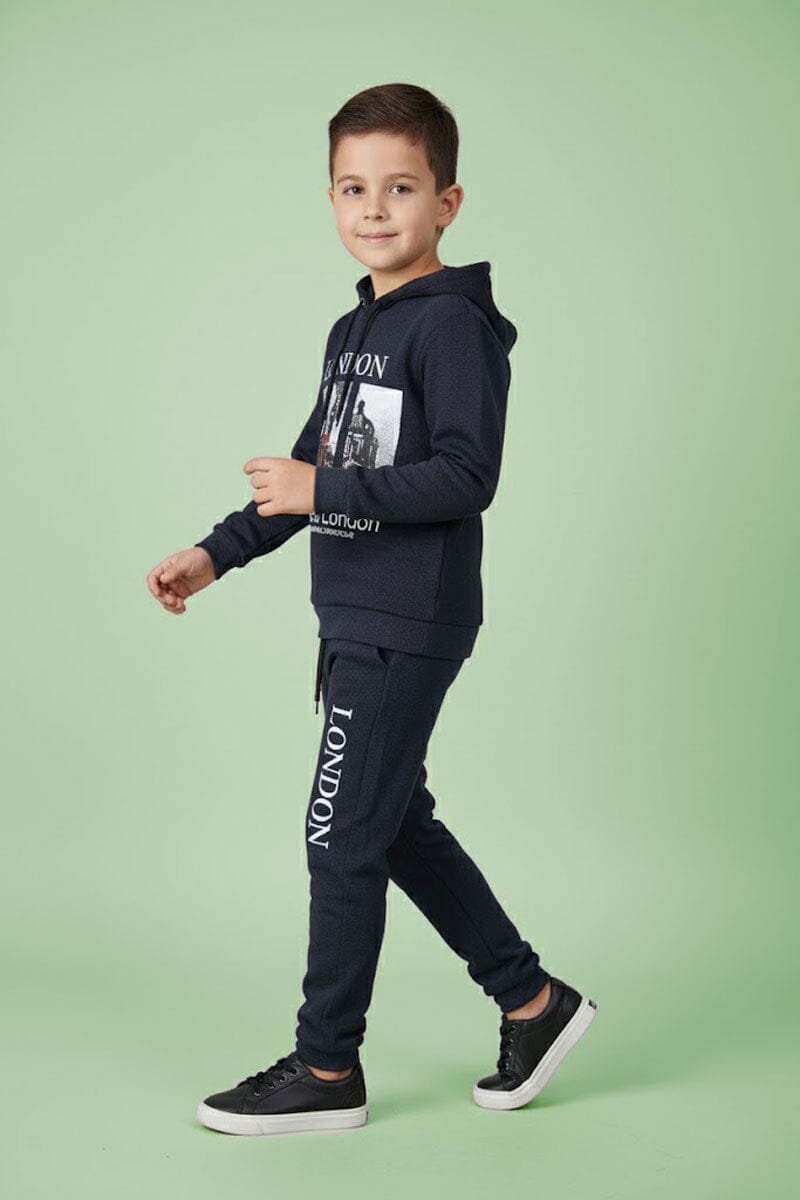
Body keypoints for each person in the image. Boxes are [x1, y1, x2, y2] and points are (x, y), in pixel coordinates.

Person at [146, 82, 597, 1138]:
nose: (375, 208)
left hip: (406, 618)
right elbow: (309, 471)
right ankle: (532, 1003)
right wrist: (215, 554)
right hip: (354, 614)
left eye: (400, 187)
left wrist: (323, 489)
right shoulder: (356, 327)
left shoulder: (451, 327)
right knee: (391, 826)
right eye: (353, 188)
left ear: (447, 201)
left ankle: (326, 1067)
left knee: (338, 837)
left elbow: (466, 477)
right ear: (331, 199)